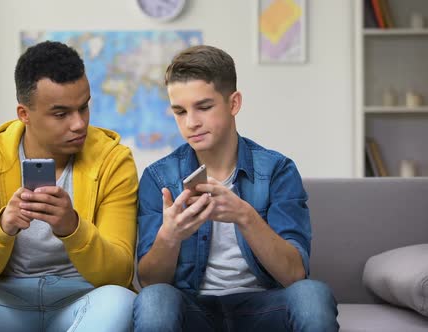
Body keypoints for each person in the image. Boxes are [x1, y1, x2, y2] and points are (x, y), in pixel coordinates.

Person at [0, 41, 139, 332]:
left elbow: (119, 273)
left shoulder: (114, 160)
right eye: (61, 114)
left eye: (84, 107)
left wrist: (72, 228)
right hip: (5, 300)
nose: (79, 124)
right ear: (24, 114)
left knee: (122, 300)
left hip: (81, 299)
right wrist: (2, 227)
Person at [133, 45, 339, 331]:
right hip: (194, 309)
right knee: (155, 299)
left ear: (234, 104)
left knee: (312, 294)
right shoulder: (159, 177)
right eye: (180, 112)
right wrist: (170, 236)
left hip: (263, 307)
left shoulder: (278, 170)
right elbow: (150, 282)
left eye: (204, 107)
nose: (191, 123)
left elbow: (294, 275)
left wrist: (244, 215)